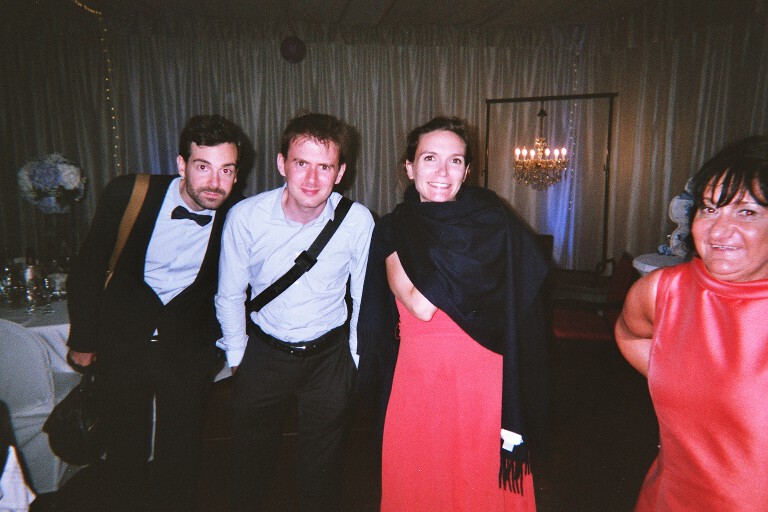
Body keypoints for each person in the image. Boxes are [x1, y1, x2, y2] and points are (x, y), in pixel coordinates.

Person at [357, 116, 549, 511]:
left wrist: (470, 233)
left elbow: (528, 288)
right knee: (422, 486)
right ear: (410, 168)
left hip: (485, 377)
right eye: (430, 158)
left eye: (455, 161)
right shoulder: (394, 227)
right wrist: (465, 240)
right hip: (421, 379)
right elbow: (420, 304)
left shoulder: (494, 220)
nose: (443, 172)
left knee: (481, 488)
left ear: (467, 171)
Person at [65, 114, 246, 512]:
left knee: (180, 453)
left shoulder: (238, 217)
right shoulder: (130, 193)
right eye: (203, 167)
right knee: (122, 448)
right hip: (123, 342)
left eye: (226, 170)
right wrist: (83, 339)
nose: (215, 182)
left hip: (187, 351)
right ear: (182, 164)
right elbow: (89, 265)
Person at [215, 112, 374, 512]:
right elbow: (229, 294)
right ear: (281, 163)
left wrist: (354, 360)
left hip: (329, 359)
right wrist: (237, 356)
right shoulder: (245, 217)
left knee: (321, 472)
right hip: (264, 354)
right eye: (301, 163)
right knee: (249, 464)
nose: (312, 178)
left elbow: (364, 298)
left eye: (325, 167)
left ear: (340, 173)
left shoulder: (357, 221)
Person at [615, 135, 768, 511]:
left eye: (747, 212)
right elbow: (629, 334)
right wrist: (685, 377)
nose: (717, 231)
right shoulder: (663, 291)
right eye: (709, 209)